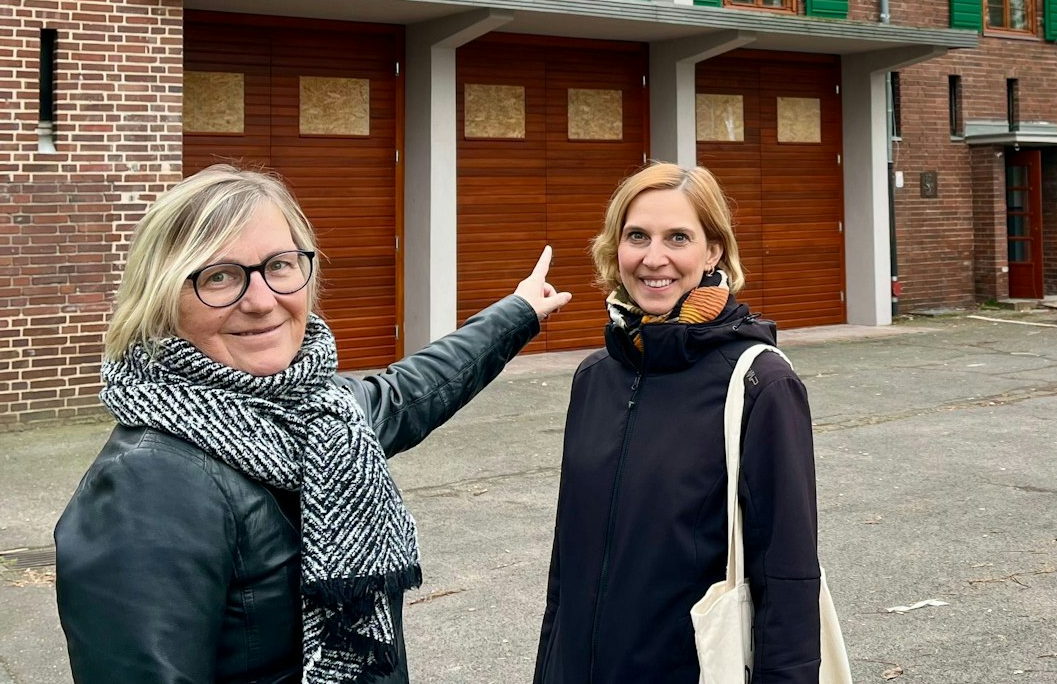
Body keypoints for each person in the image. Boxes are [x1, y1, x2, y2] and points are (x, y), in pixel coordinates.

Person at [54, 164, 571, 684]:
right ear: (161, 296)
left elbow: (411, 392)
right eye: (218, 276)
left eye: (279, 265)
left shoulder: (321, 413)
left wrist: (519, 310)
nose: (260, 301)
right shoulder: (147, 482)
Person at [533, 162, 823, 684]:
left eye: (678, 238)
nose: (653, 258)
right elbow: (567, 562)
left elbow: (788, 575)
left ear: (713, 251)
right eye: (637, 235)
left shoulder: (761, 383)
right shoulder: (595, 377)